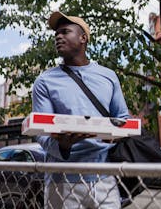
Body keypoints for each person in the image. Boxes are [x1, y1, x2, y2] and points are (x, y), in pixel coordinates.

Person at [32, 11, 130, 209]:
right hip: (62, 179)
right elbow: (40, 132)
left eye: (65, 32)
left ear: (83, 38)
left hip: (104, 177)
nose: (58, 36)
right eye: (56, 34)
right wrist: (63, 146)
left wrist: (115, 134)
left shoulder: (108, 76)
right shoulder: (44, 81)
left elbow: (123, 118)